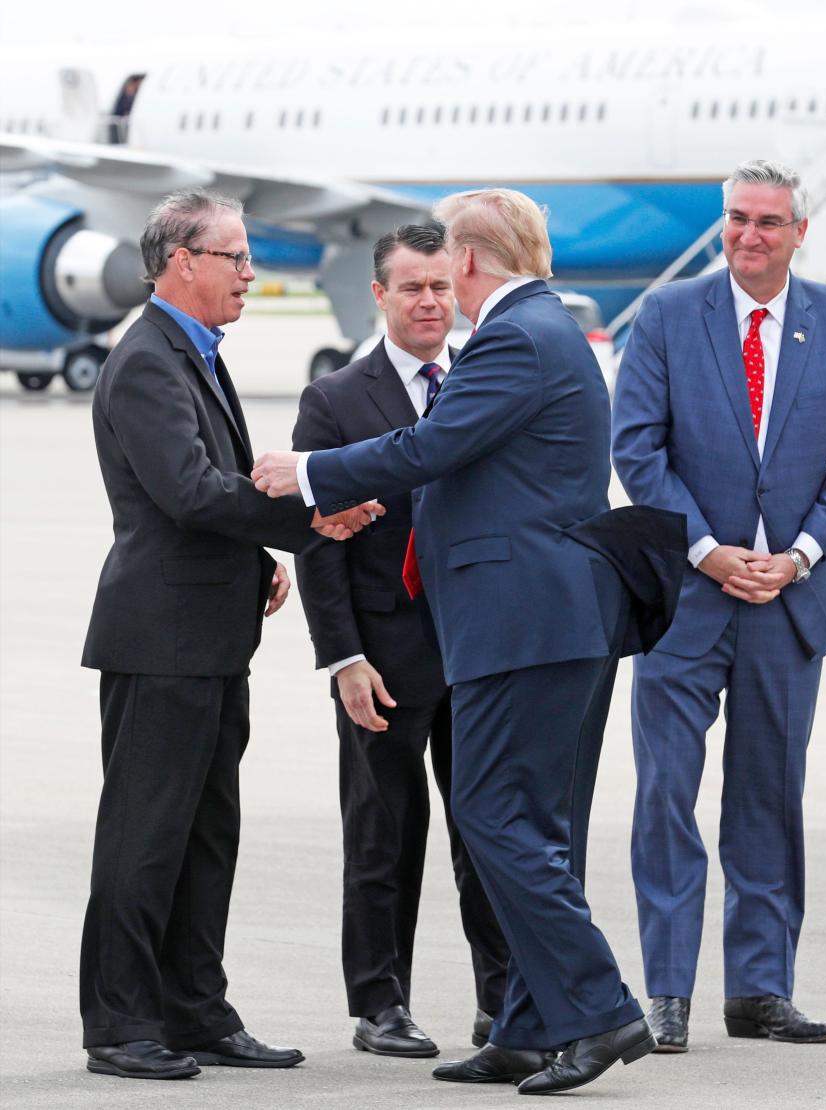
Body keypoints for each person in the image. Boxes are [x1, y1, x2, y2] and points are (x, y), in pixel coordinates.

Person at [253, 188, 687, 1095]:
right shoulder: (543, 328)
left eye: (446, 265)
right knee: (527, 823)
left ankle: (602, 1009)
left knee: (492, 815)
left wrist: (311, 472)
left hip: (524, 621)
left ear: (473, 264)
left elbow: (429, 447)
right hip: (540, 617)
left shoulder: (515, 337)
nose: (441, 285)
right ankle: (529, 1029)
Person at [78, 189, 378, 1080]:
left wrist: (257, 558)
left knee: (206, 835)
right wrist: (305, 517)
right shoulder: (147, 360)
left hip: (207, 633)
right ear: (182, 263)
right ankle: (121, 1025)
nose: (251, 274)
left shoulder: (192, 353)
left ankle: (195, 1012)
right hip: (159, 638)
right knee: (144, 835)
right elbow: (187, 492)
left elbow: (210, 494)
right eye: (236, 258)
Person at [611, 159, 826, 1052]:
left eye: (769, 222)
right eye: (736, 218)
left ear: (799, 232)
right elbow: (638, 448)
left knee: (768, 798)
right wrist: (707, 550)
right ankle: (667, 995)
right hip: (687, 600)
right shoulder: (667, 314)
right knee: (665, 797)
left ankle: (760, 991)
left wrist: (800, 554)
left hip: (788, 603)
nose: (749, 236)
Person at [292, 222, 509, 1058]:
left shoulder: (485, 385)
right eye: (411, 287)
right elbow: (319, 540)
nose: (428, 301)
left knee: (487, 833)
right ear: (379, 295)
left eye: (440, 287)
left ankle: (502, 1000)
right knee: (383, 836)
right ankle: (380, 1005)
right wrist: (343, 657)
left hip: (482, 651)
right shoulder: (337, 400)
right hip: (383, 655)